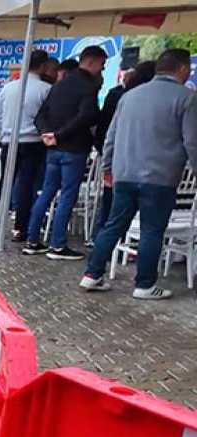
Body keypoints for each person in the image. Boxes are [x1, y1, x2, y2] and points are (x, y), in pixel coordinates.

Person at [80, 49, 197, 300]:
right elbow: (192, 142)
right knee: (152, 230)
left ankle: (92, 273)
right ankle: (145, 284)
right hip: (160, 177)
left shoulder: (129, 97)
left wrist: (108, 168)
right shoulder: (187, 98)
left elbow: (111, 136)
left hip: (124, 174)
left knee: (114, 225)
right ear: (182, 68)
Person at [22, 45, 107, 259]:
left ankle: (32, 239)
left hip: (53, 149)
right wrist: (59, 135)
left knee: (47, 192)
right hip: (74, 149)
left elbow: (40, 115)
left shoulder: (58, 86)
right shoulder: (88, 88)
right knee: (68, 195)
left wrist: (47, 134)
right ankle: (57, 244)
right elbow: (86, 116)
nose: (102, 69)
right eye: (102, 64)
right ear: (92, 62)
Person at [90, 61, 156, 240]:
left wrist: (106, 158)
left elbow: (105, 130)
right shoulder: (152, 100)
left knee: (112, 209)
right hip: (143, 165)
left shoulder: (119, 95)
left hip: (118, 159)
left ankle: (101, 239)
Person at [0, 50, 53, 240]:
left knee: (5, 183)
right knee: (27, 185)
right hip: (33, 142)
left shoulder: (8, 88)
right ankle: (21, 226)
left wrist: (2, 136)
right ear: (43, 66)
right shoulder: (45, 89)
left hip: (9, 141)